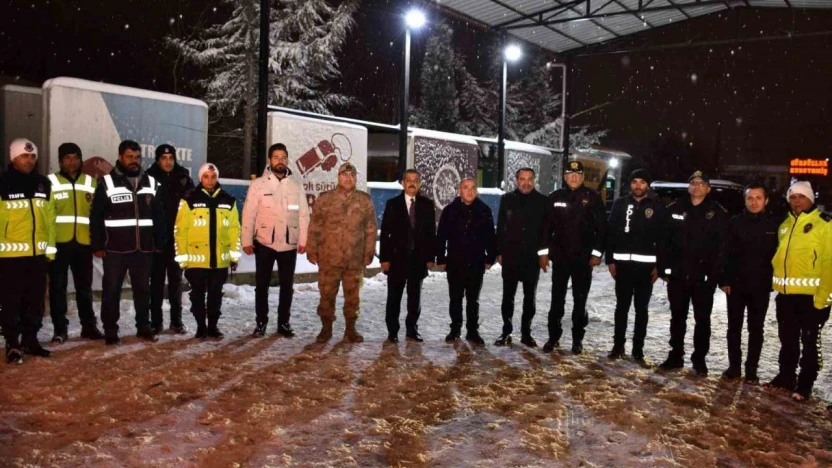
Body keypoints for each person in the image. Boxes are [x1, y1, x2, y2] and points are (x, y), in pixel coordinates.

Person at [90, 140, 166, 345]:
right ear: (120, 157)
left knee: (143, 290)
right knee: (111, 290)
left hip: (143, 249)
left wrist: (160, 242)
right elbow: (96, 216)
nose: (134, 161)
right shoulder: (106, 183)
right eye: (129, 157)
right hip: (115, 248)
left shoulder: (151, 183)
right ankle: (110, 330)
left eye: (137, 157)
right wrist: (97, 245)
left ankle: (143, 326)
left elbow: (159, 216)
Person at [766, 181, 832, 401]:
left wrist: (823, 300)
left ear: (811, 199)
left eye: (801, 197)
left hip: (812, 298)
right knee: (788, 339)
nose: (796, 201)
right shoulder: (785, 224)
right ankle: (786, 376)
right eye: (792, 197)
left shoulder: (825, 224)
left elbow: (829, 264)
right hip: (786, 296)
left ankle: (805, 384)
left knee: (810, 342)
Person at [657, 170, 728, 376]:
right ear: (688, 187)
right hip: (678, 276)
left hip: (702, 279)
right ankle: (675, 356)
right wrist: (664, 268)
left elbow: (722, 248)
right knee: (677, 318)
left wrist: (714, 274)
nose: (696, 186)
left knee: (702, 320)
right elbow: (664, 242)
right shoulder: (675, 208)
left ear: (708, 188)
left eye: (701, 183)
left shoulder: (717, 212)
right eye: (693, 182)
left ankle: (699, 360)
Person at [241, 143, 310, 337]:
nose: (280, 161)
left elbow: (304, 215)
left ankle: (284, 323)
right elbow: (248, 214)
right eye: (276, 157)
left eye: (283, 157)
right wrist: (247, 239)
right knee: (261, 286)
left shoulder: (296, 186)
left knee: (287, 287)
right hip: (265, 242)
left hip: (289, 243)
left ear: (287, 160)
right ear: (269, 161)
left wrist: (303, 239)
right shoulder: (258, 185)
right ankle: (261, 323)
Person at [539, 160, 607, 354]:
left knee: (580, 301)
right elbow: (546, 228)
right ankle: (554, 337)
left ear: (583, 177)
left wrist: (596, 254)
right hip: (560, 258)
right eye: (570, 174)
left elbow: (601, 228)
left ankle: (578, 339)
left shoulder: (592, 197)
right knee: (557, 300)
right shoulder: (555, 197)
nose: (574, 177)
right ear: (565, 176)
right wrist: (543, 254)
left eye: (577, 174)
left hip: (583, 260)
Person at [0, 138, 56, 364]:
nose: (30, 160)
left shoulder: (43, 183)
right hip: (9, 256)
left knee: (34, 301)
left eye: (33, 156)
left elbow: (50, 219)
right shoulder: (3, 183)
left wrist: (49, 251)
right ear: (13, 158)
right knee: (11, 301)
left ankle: (30, 340)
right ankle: (12, 343)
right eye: (25, 156)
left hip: (37, 256)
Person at [306, 162, 376, 343]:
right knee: (327, 295)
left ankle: (350, 329)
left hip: (354, 259)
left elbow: (370, 228)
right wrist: (311, 249)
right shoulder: (325, 199)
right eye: (344, 175)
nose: (348, 178)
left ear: (356, 179)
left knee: (353, 297)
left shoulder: (364, 200)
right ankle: (326, 328)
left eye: (352, 175)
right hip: (329, 257)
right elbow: (315, 226)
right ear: (338, 177)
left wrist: (369, 252)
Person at [718, 183, 780, 383]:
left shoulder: (775, 225)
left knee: (756, 329)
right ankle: (734, 366)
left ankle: (751, 369)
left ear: (766, 200)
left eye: (758, 198)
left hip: (761, 286)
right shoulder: (734, 222)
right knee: (734, 327)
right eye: (750, 198)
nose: (754, 202)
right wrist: (725, 279)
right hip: (735, 286)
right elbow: (725, 253)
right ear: (744, 201)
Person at [174, 163, 241, 339]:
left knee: (215, 296)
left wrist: (234, 256)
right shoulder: (188, 199)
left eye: (213, 177)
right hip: (196, 261)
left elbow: (235, 229)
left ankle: (212, 326)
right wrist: (183, 259)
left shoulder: (228, 200)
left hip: (220, 260)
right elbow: (181, 231)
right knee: (197, 296)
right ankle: (200, 327)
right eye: (206, 177)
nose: (210, 180)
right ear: (200, 178)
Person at [605, 169, 665, 362]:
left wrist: (660, 265)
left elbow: (664, 238)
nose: (638, 186)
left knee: (642, 310)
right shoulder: (620, 204)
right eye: (634, 182)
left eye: (642, 182)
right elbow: (611, 233)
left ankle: (638, 349)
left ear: (647, 185)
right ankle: (618, 345)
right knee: (621, 308)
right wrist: (611, 261)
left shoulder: (657, 207)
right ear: (630, 184)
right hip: (623, 268)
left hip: (645, 270)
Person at [47, 142, 104, 343]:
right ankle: (60, 329)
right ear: (60, 161)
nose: (72, 162)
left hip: (83, 244)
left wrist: (96, 242)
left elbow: (96, 216)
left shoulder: (91, 182)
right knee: (58, 289)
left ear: (80, 160)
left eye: (75, 157)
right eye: (67, 158)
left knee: (84, 288)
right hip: (59, 244)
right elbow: (46, 216)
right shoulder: (50, 182)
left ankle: (88, 327)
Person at [436, 178, 496, 346]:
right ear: (459, 191)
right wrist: (440, 257)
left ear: (476, 190)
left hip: (476, 262)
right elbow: (441, 235)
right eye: (465, 188)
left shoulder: (484, 210)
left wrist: (490, 257)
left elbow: (490, 235)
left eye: (472, 188)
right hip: (455, 261)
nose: (469, 191)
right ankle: (455, 329)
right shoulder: (449, 211)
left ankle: (472, 331)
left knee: (473, 299)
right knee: (455, 298)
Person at [379, 169, 436, 343]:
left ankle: (412, 329)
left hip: (418, 260)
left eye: (415, 180)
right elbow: (386, 233)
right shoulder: (392, 204)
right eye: (408, 180)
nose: (412, 183)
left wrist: (430, 257)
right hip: (397, 259)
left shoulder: (427, 204)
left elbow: (430, 233)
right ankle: (393, 331)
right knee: (394, 298)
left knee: (415, 299)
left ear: (419, 183)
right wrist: (384, 259)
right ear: (403, 182)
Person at [494, 167, 547, 347]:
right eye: (522, 179)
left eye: (529, 179)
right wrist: (499, 252)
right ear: (516, 180)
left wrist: (543, 254)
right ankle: (506, 331)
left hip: (532, 258)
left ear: (534, 180)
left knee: (529, 297)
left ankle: (526, 333)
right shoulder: (507, 199)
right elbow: (500, 227)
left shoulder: (542, 201)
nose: (526, 182)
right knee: (508, 296)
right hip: (511, 256)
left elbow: (546, 232)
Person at [146, 144, 194, 335]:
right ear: (158, 160)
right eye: (164, 158)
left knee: (175, 283)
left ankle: (176, 322)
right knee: (156, 284)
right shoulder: (148, 177)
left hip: (177, 240)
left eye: (171, 158)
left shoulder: (183, 177)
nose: (168, 162)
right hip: (156, 240)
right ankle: (156, 323)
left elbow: (193, 203)